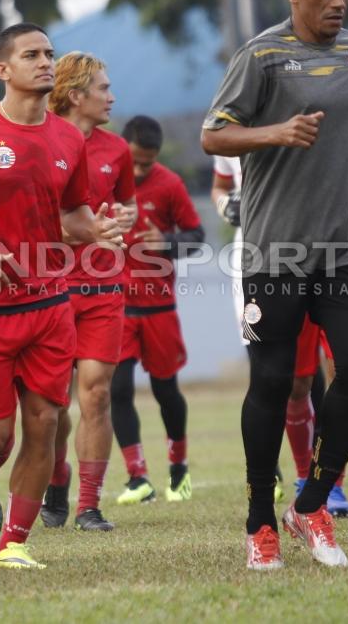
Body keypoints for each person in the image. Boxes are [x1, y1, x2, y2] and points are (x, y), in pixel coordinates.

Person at [201, 0, 348, 570]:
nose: (338, 2)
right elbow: (214, 134)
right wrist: (275, 133)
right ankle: (260, 520)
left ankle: (310, 502)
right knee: (275, 383)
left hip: (345, 245)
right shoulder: (260, 55)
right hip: (274, 250)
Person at [0, 23, 123, 570]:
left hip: (50, 305)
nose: (45, 62)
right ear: (2, 70)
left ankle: (12, 544)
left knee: (45, 423)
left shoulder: (67, 138)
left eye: (49, 54)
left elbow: (72, 218)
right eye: (31, 55)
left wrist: (99, 229)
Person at [212, 154, 348, 517]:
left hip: (330, 255)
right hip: (258, 261)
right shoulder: (228, 131)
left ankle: (328, 480)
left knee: (343, 369)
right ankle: (285, 472)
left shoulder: (331, 115)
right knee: (275, 372)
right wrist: (225, 206)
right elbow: (220, 186)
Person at [42, 52, 137, 531]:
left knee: (96, 394)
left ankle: (89, 505)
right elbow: (24, 221)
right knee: (52, 405)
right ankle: (55, 479)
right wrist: (83, 231)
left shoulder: (117, 150)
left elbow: (128, 207)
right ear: (76, 95)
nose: (111, 96)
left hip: (102, 285)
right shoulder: (38, 139)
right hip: (49, 286)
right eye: (103, 88)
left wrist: (121, 220)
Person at [110, 115, 202, 505]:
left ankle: (179, 470)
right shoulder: (103, 182)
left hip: (159, 305)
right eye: (135, 160)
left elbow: (196, 236)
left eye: (148, 162)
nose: (140, 168)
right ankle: (137, 477)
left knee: (166, 390)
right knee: (118, 388)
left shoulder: (169, 184)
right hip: (115, 306)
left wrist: (167, 241)